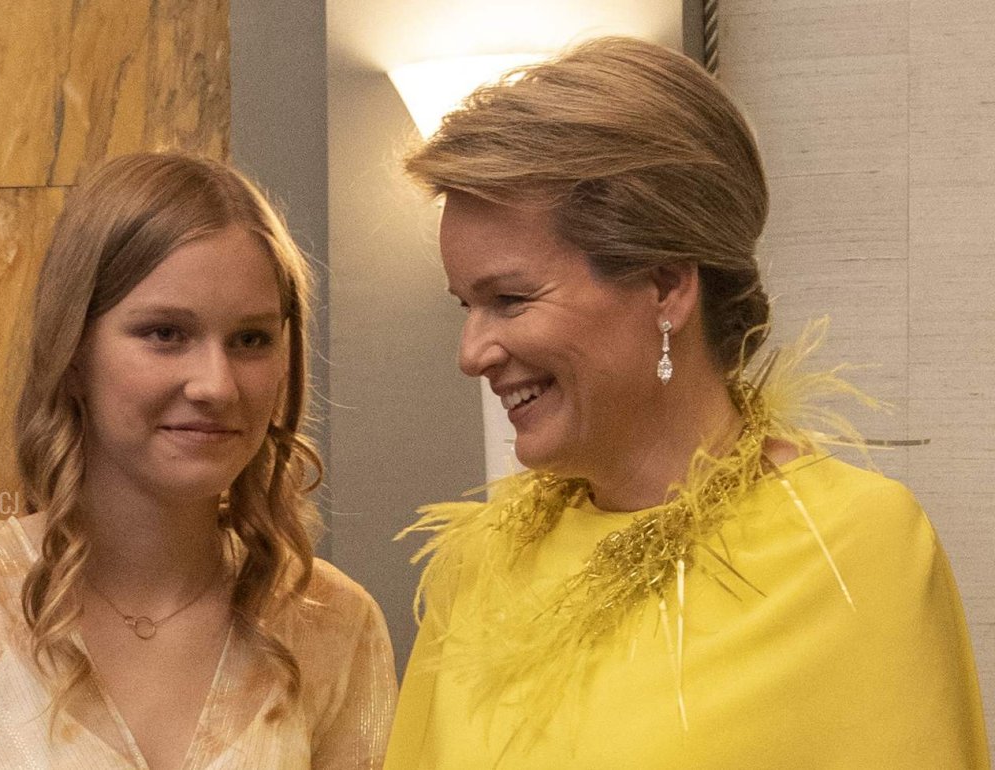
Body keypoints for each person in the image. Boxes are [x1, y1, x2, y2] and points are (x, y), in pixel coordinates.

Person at [384, 37, 988, 768]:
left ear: (666, 285)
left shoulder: (853, 548)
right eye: (465, 306)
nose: (470, 352)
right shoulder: (474, 566)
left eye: (509, 300)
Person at [0, 152, 396, 769]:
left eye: (251, 340)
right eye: (165, 334)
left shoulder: (333, 622)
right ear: (72, 352)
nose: (217, 385)